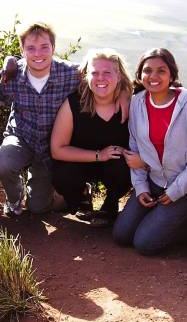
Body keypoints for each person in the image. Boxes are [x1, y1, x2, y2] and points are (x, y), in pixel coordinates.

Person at [0, 22, 129, 216]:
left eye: (44, 47)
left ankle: (78, 192)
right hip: (22, 136)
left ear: (54, 48)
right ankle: (14, 198)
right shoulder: (12, 76)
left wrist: (123, 92)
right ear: (22, 50)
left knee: (38, 208)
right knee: (3, 164)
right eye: (30, 48)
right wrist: (8, 62)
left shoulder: (71, 73)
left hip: (50, 145)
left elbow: (104, 77)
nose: (38, 54)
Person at [112, 48, 187, 253]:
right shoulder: (137, 104)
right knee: (122, 235)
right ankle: (164, 219)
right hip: (153, 183)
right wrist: (141, 187)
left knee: (145, 244)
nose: (154, 76)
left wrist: (177, 190)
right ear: (140, 76)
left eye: (161, 70)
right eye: (148, 70)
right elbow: (134, 148)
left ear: (172, 75)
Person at [50, 49, 133, 227]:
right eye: (94, 73)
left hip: (114, 167)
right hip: (82, 162)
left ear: (118, 76)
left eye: (107, 73)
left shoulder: (132, 102)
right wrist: (99, 155)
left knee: (122, 164)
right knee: (62, 173)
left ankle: (110, 204)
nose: (100, 78)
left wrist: (125, 93)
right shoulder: (73, 103)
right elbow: (57, 150)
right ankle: (81, 197)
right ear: (86, 76)